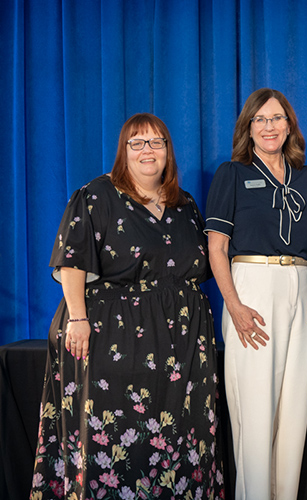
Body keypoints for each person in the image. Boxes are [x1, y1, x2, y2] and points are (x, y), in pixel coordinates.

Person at [30, 113, 224, 499]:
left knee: (182, 438)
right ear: (124, 151)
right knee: (115, 441)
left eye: (156, 142)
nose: (147, 150)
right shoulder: (97, 195)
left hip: (181, 345)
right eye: (137, 143)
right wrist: (78, 319)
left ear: (168, 152)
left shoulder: (184, 204)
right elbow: (72, 262)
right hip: (111, 338)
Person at [204, 88, 307, 500]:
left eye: (276, 118)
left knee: (294, 411)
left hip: (302, 289)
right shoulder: (232, 174)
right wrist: (234, 306)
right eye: (260, 119)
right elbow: (216, 248)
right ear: (248, 128)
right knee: (255, 411)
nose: (269, 126)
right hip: (252, 287)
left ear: (289, 125)